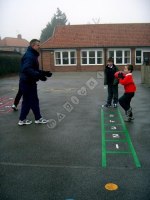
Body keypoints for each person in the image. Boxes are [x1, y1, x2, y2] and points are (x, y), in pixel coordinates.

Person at [18, 39, 52, 126]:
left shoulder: (31, 54)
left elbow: (33, 69)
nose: (39, 46)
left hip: (27, 82)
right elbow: (27, 69)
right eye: (38, 45)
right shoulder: (30, 56)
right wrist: (39, 76)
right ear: (33, 46)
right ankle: (38, 118)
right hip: (28, 82)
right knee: (32, 101)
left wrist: (43, 73)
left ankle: (22, 120)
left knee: (28, 101)